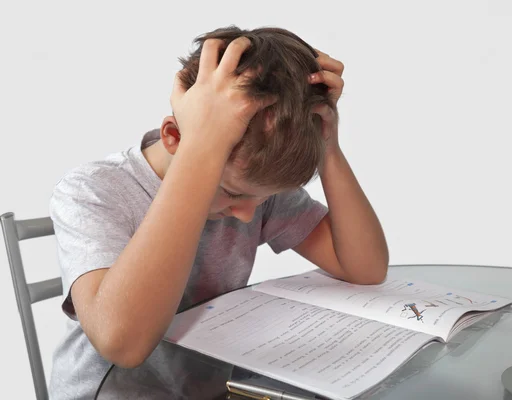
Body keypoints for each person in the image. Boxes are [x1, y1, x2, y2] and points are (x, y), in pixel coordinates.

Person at [47, 26, 389, 399]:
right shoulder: (93, 190)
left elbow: (364, 268)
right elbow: (123, 344)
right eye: (231, 194)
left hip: (210, 389)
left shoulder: (253, 188)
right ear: (174, 137)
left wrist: (327, 145)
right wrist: (202, 149)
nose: (246, 215)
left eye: (257, 200)